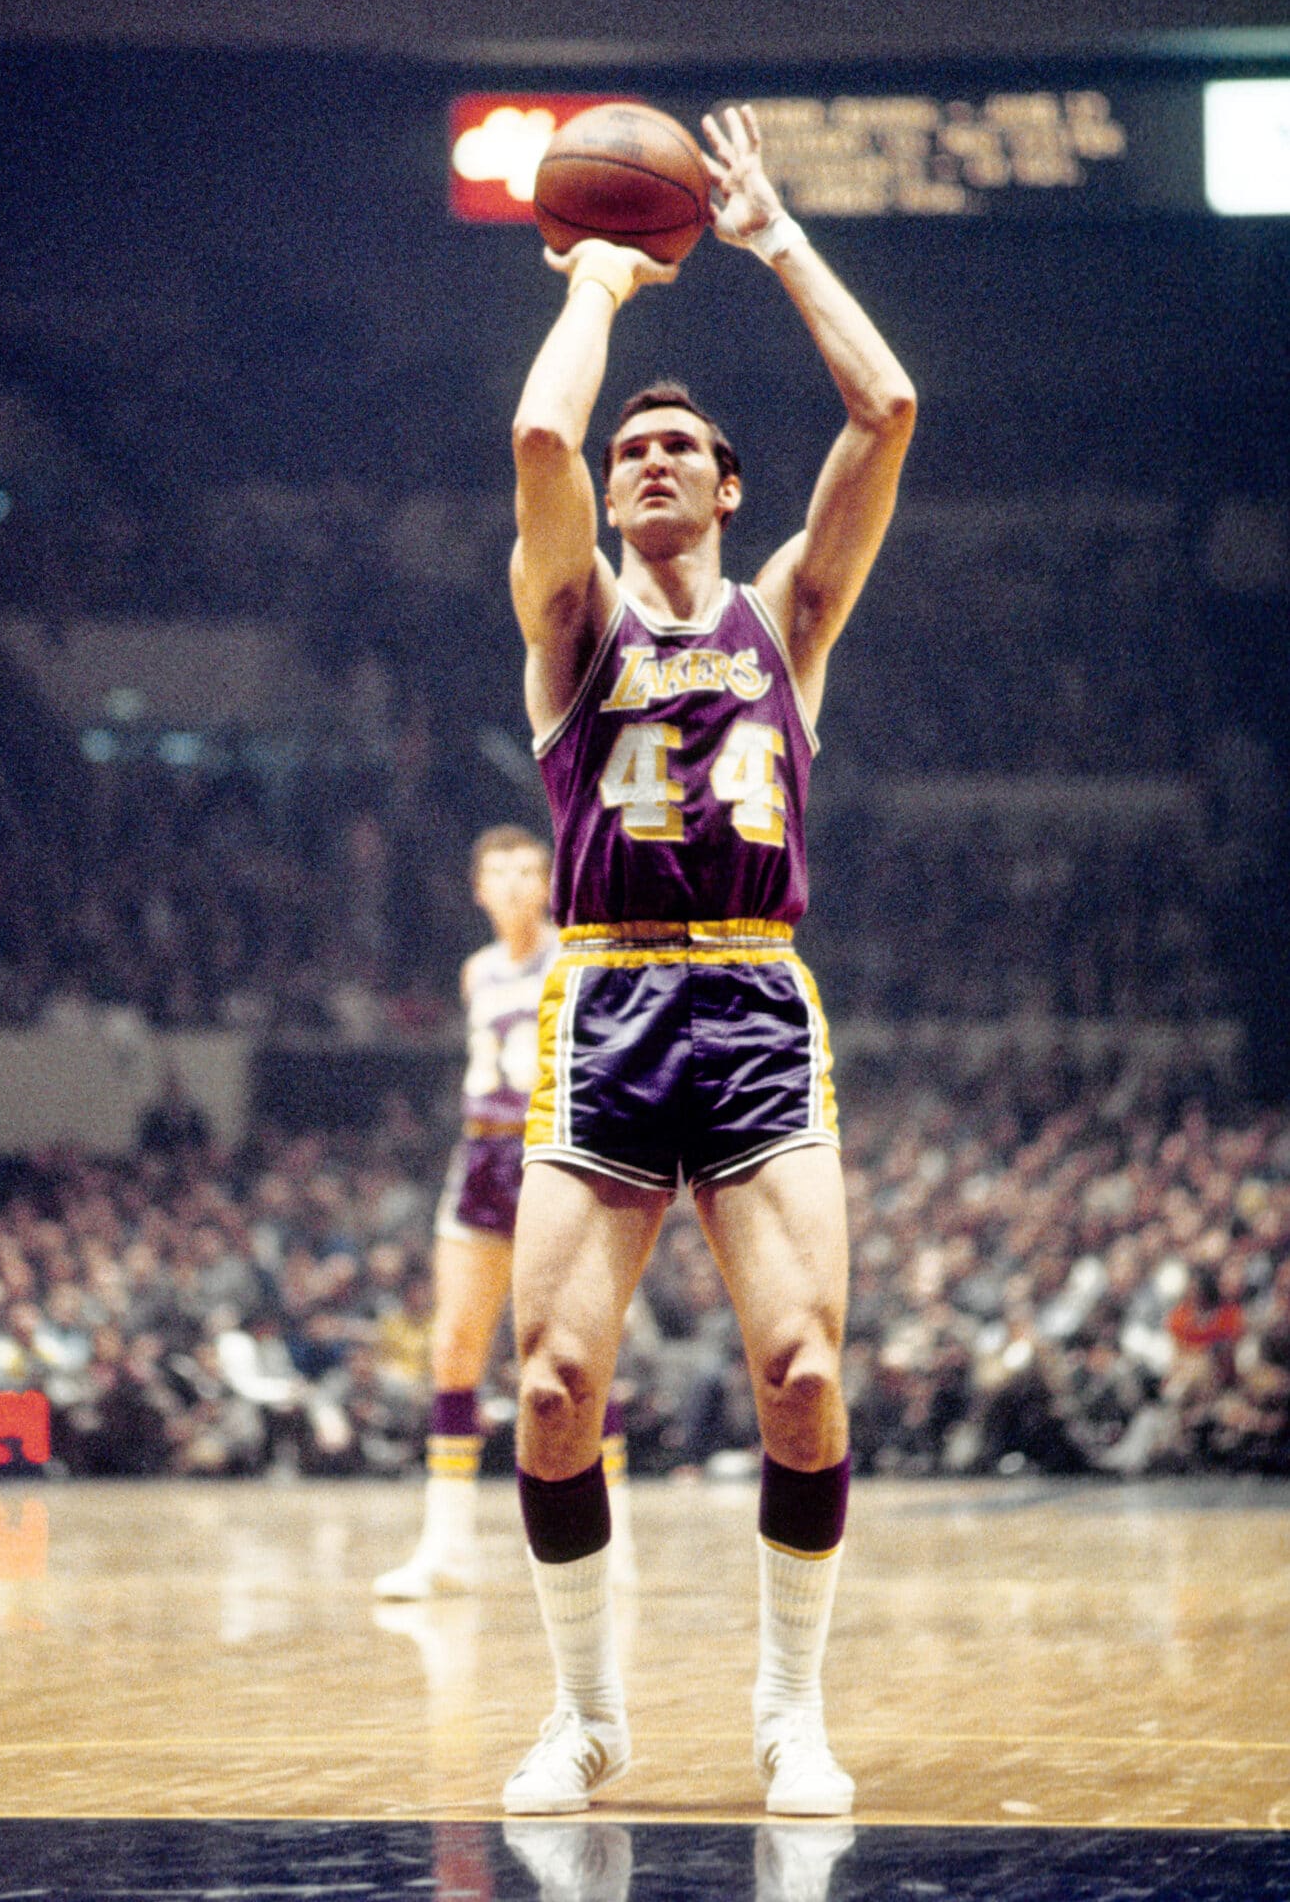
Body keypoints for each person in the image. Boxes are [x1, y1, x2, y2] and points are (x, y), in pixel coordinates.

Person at [501, 104, 916, 1818]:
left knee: (804, 1371)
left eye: (679, 448)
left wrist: (767, 237)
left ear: (729, 487)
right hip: (601, 993)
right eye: (636, 451)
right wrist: (596, 286)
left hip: (747, 993)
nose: (646, 459)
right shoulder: (574, 617)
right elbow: (537, 427)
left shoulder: (787, 614)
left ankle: (784, 1713)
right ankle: (585, 1715)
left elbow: (886, 409)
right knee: (551, 1390)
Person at [373, 824, 635, 1599]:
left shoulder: (577, 954)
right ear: (479, 888)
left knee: (574, 1353)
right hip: (480, 1156)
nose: (520, 883)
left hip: (556, 1154)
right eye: (503, 872)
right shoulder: (476, 970)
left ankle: (612, 1535)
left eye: (532, 869)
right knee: (454, 1348)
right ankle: (447, 1547)